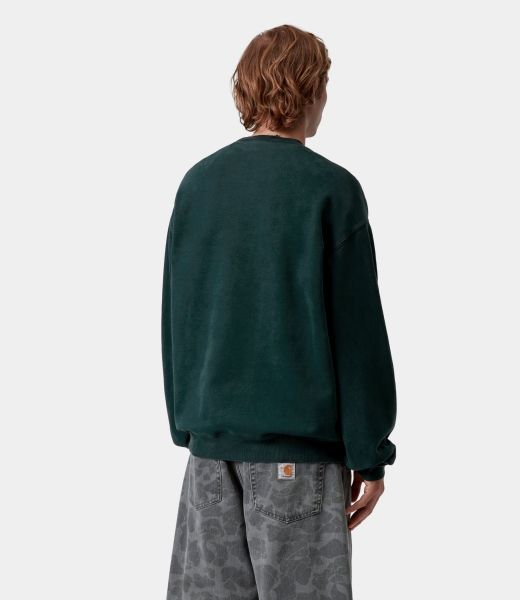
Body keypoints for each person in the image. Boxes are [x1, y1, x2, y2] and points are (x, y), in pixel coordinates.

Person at [162, 24, 397, 600]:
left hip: (210, 457)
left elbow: (178, 318)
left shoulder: (198, 184)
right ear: (311, 90)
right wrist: (370, 456)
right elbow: (358, 335)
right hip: (298, 464)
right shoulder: (331, 191)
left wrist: (188, 425)